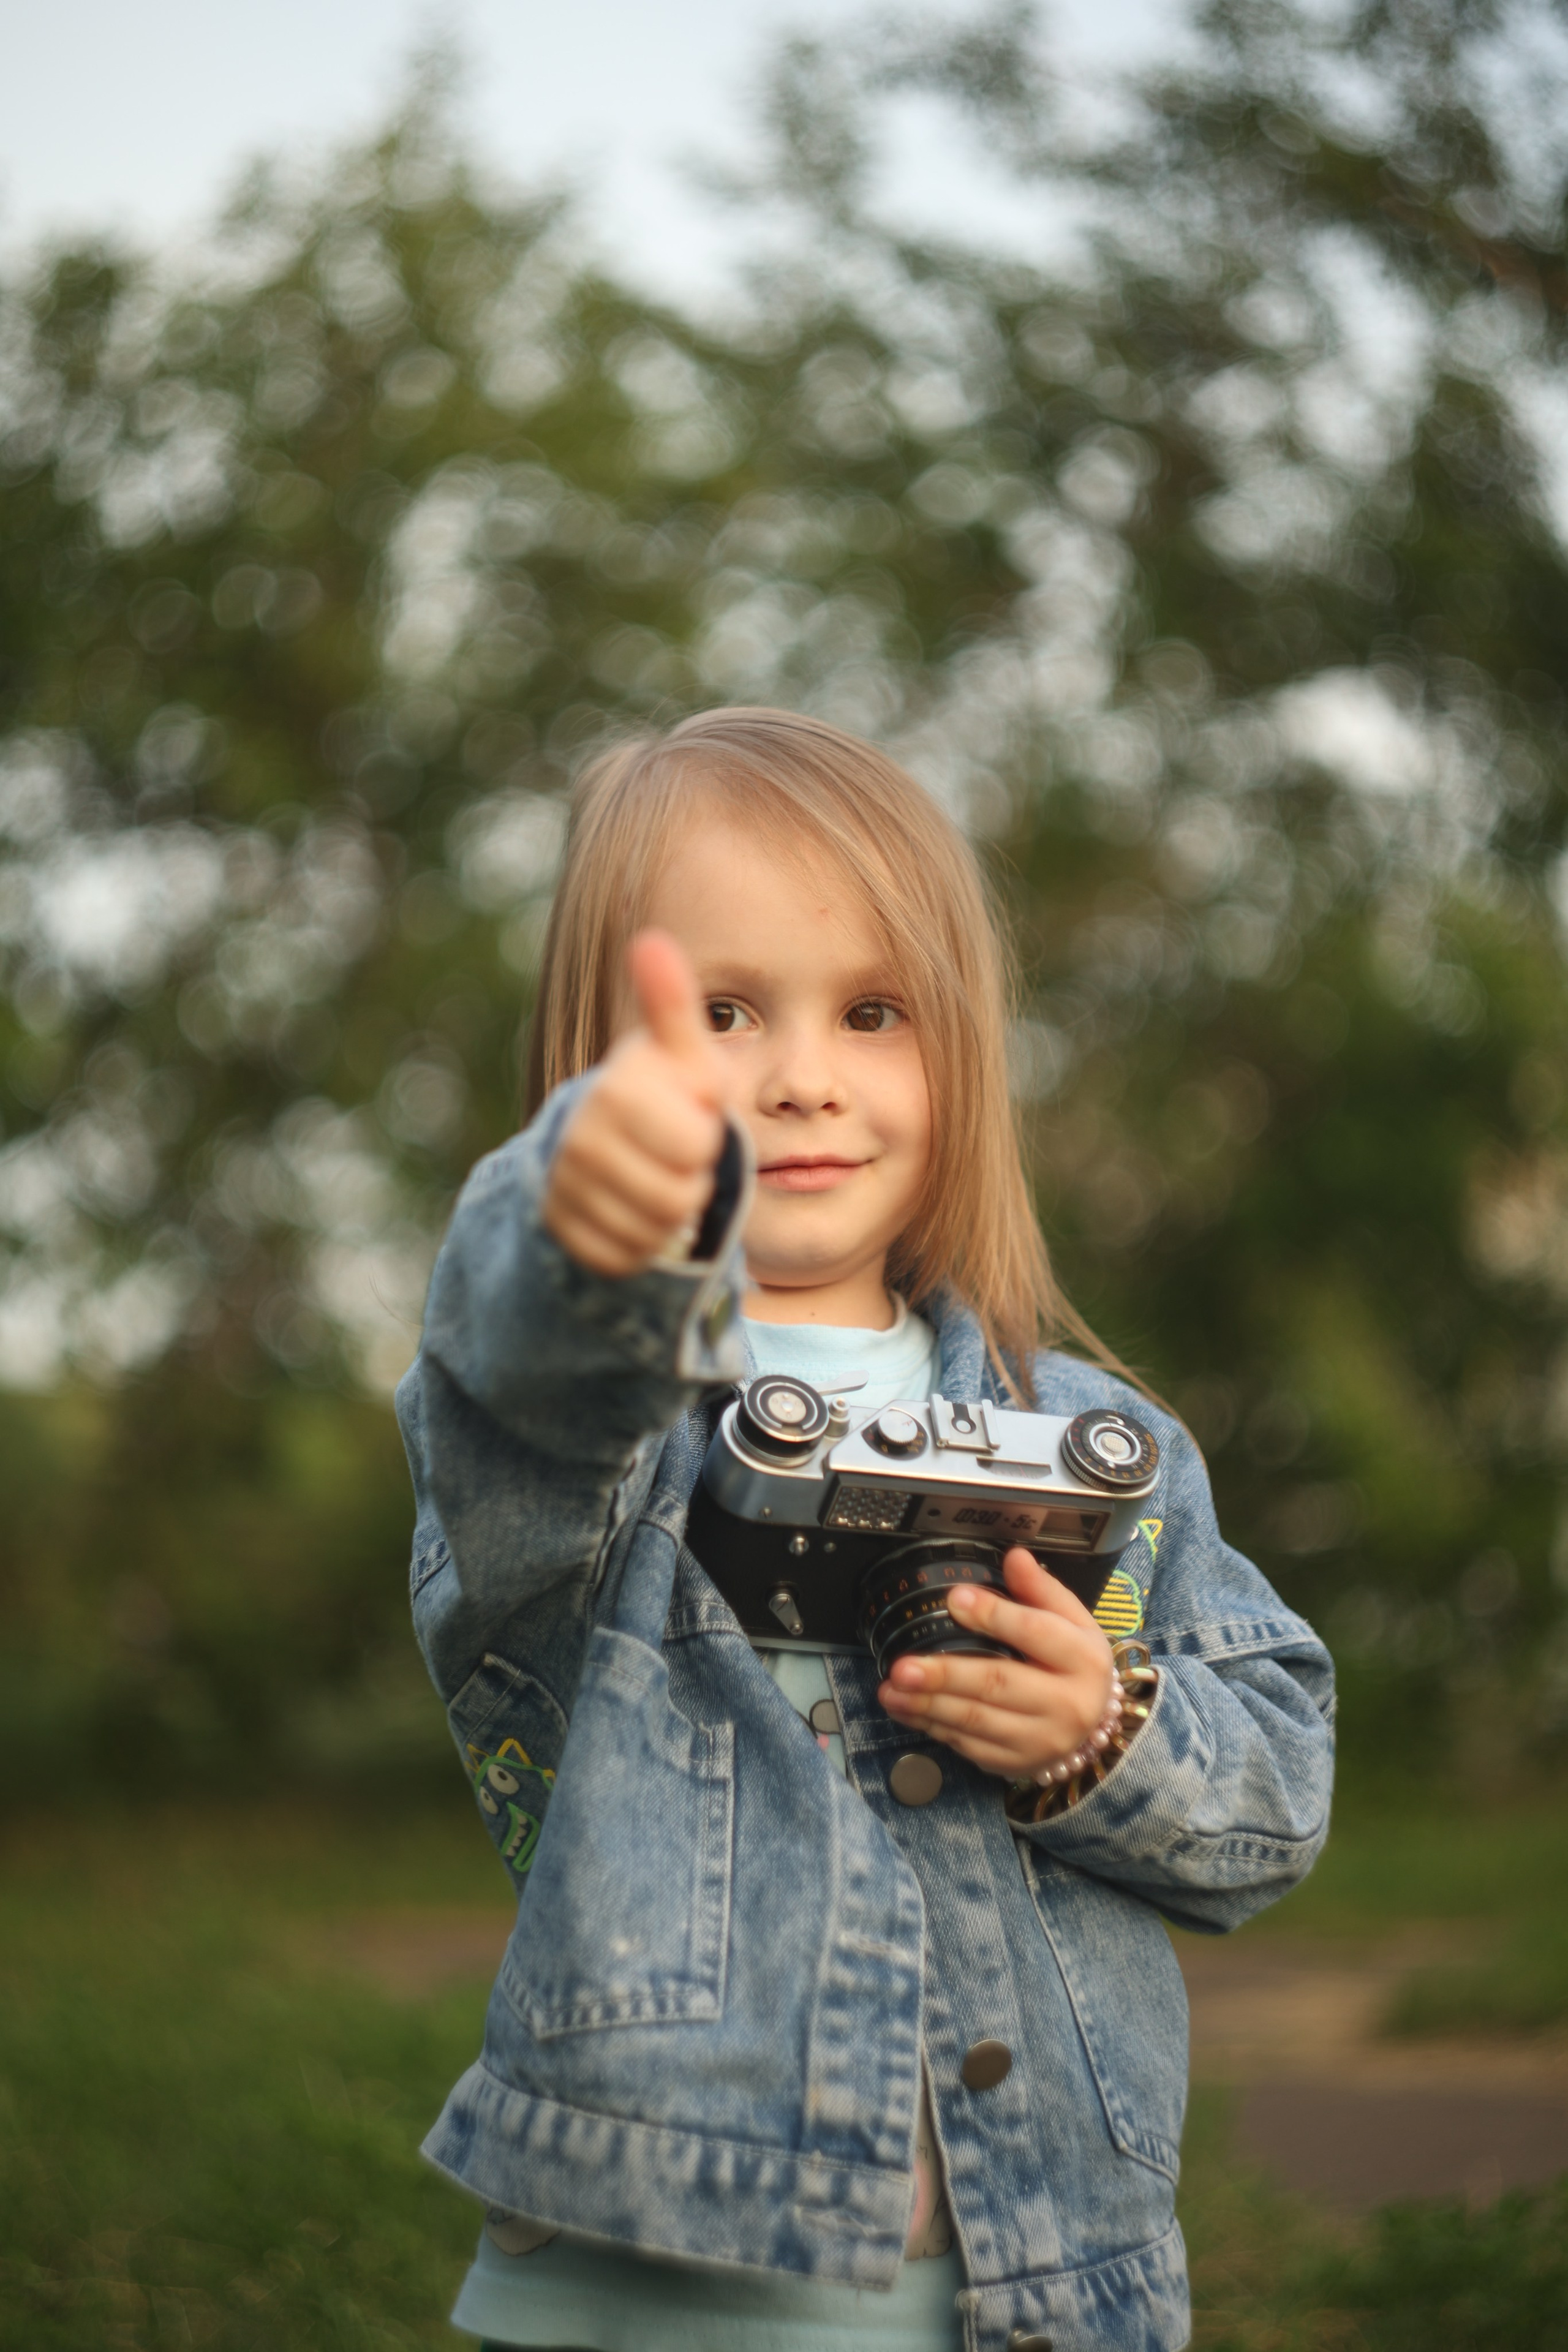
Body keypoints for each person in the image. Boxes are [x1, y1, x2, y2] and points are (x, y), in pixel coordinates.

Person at [398, 707, 1335, 2352]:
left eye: (876, 1011)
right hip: (656, 2286)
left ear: (959, 1048)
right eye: (727, 1011)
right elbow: (519, 1395)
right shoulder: (614, 1429)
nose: (804, 1075)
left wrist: (1100, 1736)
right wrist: (585, 1217)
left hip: (1039, 2283)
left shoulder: (1105, 1449)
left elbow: (1277, 1800)